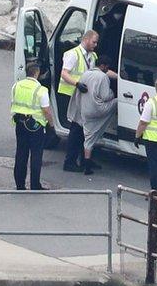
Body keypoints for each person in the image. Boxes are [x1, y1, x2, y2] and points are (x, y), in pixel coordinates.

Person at [67, 56, 117, 175]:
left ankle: (86, 163)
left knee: (87, 137)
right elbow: (105, 96)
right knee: (116, 102)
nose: (107, 70)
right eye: (107, 67)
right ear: (103, 66)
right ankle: (87, 163)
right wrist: (113, 93)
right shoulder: (103, 77)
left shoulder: (85, 74)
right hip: (97, 111)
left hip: (84, 111)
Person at [60, 30, 100, 172]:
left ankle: (84, 159)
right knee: (76, 130)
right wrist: (77, 84)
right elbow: (64, 73)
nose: (95, 45)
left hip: (82, 96)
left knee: (84, 130)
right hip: (71, 94)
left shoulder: (92, 56)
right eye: (94, 42)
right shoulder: (73, 54)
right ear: (86, 39)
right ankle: (69, 162)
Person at [11, 63, 54, 190]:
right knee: (36, 155)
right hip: (36, 126)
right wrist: (51, 125)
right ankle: (35, 184)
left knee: (21, 154)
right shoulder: (40, 90)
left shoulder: (16, 86)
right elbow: (46, 111)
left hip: (19, 123)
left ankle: (20, 184)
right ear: (37, 73)